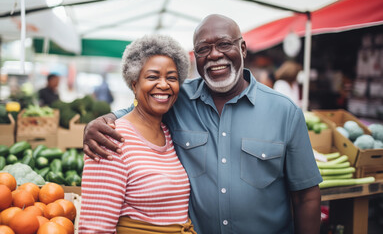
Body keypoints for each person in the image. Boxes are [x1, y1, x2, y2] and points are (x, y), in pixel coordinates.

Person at [84, 14, 322, 234]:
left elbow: (306, 197)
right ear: (195, 57)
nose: (214, 54)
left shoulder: (284, 111)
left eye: (224, 44)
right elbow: (141, 108)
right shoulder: (178, 98)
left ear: (242, 48)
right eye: (203, 49)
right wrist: (100, 122)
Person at [78, 34, 196, 234]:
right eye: (152, 77)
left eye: (171, 78)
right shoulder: (110, 138)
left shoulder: (168, 134)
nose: (164, 84)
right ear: (134, 84)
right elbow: (94, 228)